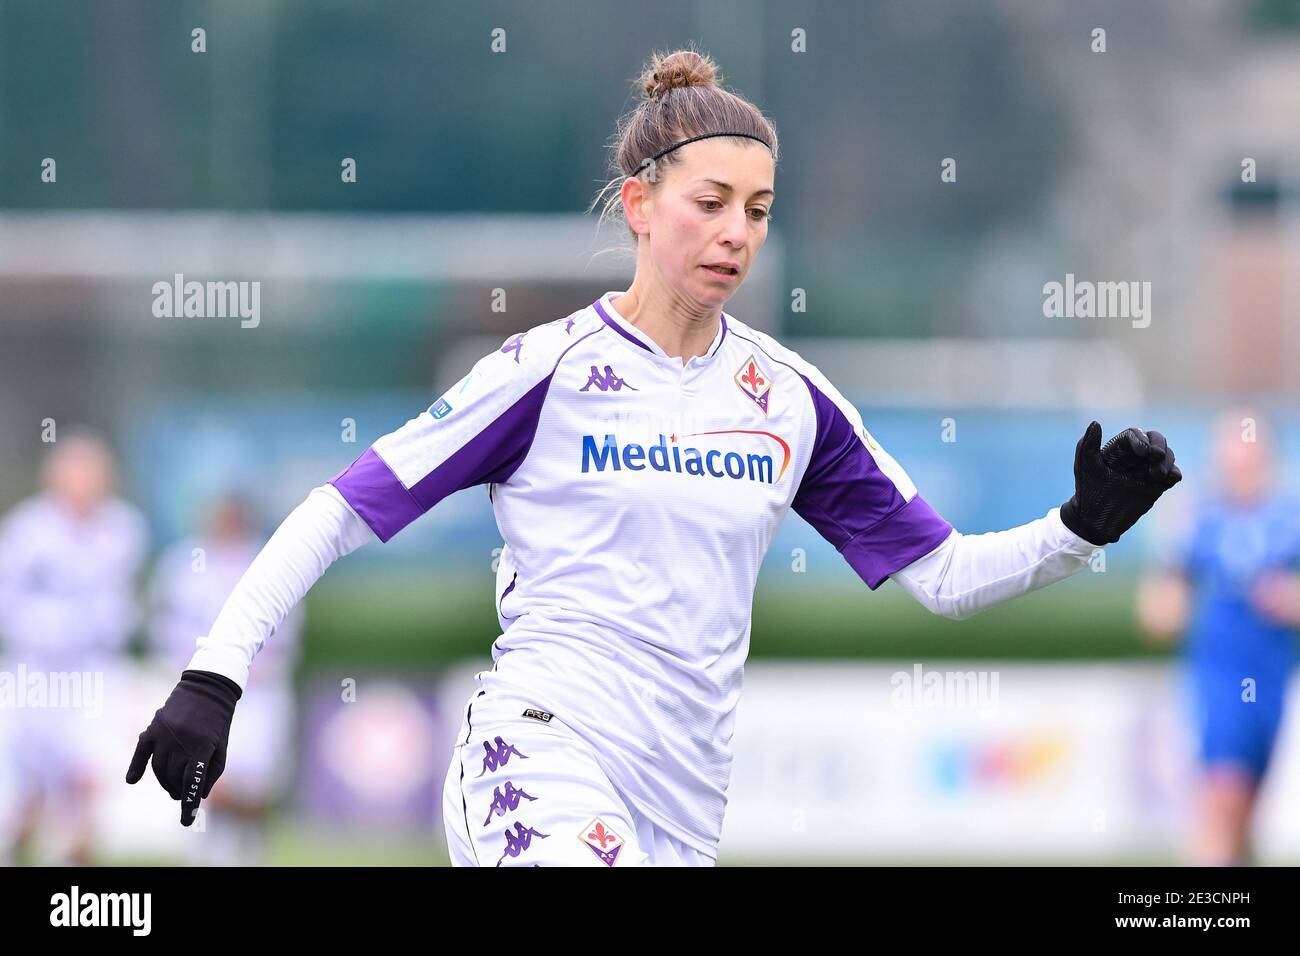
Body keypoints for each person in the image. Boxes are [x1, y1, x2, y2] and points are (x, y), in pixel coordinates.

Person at [126, 47, 1182, 866]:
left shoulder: (791, 401)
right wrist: (214, 675)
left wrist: (1076, 528)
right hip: (535, 752)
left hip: (683, 798)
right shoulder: (545, 371)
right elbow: (341, 508)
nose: (736, 233)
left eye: (758, 211)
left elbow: (943, 578)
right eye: (709, 203)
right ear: (638, 205)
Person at [1137, 408, 1300, 866]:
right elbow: (1158, 613)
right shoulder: (1199, 522)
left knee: (1243, 823)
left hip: (1269, 688)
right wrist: (1170, 593)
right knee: (1219, 809)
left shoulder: (1289, 519)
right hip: (1219, 684)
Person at [0, 429, 148, 864]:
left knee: (85, 784)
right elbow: (8, 602)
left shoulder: (124, 529)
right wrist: (48, 627)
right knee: (24, 789)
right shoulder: (26, 530)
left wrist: (102, 624)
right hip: (34, 674)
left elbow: (125, 604)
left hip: (93, 675)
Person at [146, 493, 302, 864]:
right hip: (203, 693)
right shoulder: (183, 565)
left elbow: (287, 633)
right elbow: (163, 627)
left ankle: (251, 851)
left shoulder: (268, 560)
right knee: (208, 784)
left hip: (256, 694)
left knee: (254, 791)